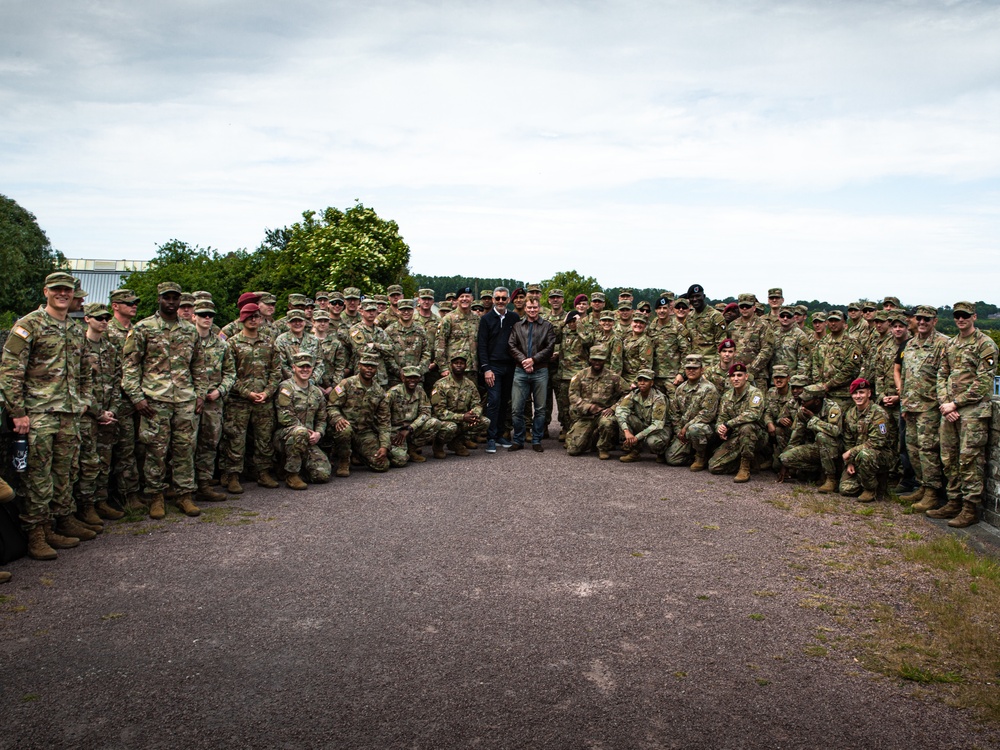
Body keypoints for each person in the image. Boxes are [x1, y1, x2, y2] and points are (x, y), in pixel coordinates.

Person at [1, 272, 95, 559]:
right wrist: (17, 412)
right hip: (38, 413)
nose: (63, 294)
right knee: (37, 476)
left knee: (65, 472)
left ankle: (60, 520)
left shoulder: (75, 328)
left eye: (67, 290)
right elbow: (9, 370)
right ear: (46, 292)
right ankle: (36, 533)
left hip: (68, 412)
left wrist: (84, 400)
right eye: (57, 290)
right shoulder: (29, 325)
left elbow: (84, 371)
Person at [121, 282, 207, 519]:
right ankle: (156, 496)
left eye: (175, 298)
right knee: (155, 451)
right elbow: (130, 366)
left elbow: (199, 365)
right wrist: (137, 397)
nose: (171, 301)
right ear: (159, 299)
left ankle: (184, 495)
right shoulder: (143, 328)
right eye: (167, 298)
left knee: (185, 449)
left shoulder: (190, 331)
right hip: (154, 400)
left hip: (185, 399)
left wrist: (200, 394)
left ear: (180, 301)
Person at [929, 301, 999, 527]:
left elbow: (983, 382)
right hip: (949, 410)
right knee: (949, 459)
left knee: (969, 460)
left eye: (965, 316)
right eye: (957, 316)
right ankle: (953, 501)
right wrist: (944, 403)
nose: (960, 319)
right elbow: (941, 374)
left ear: (974, 317)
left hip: (973, 412)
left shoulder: (985, 344)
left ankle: (970, 509)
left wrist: (955, 404)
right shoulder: (950, 344)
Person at [218, 303, 281, 493]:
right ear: (242, 319)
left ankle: (263, 472)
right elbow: (228, 373)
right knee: (235, 439)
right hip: (239, 400)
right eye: (249, 317)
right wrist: (247, 393)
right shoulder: (233, 343)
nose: (253, 320)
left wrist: (267, 392)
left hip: (264, 399)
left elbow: (276, 371)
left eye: (256, 316)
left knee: (264, 439)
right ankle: (233, 475)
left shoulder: (269, 342)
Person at [75, 303, 124, 527]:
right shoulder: (79, 347)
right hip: (87, 415)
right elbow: (78, 385)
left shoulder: (111, 348)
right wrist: (98, 412)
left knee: (105, 460)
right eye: (98, 318)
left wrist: (112, 409)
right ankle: (86, 506)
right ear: (87, 319)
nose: (104, 322)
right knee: (88, 462)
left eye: (106, 318)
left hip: (108, 414)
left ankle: (101, 501)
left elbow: (116, 381)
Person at [898, 305, 950, 512]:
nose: (922, 322)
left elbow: (945, 376)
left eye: (926, 319)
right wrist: (904, 402)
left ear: (934, 321)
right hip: (911, 406)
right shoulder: (910, 344)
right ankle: (921, 485)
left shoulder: (943, 344)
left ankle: (932, 492)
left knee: (928, 451)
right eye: (919, 318)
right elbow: (905, 375)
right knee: (913, 449)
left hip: (930, 407)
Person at [192, 300, 235, 503]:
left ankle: (204, 485)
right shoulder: (185, 340)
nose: (207, 318)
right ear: (194, 316)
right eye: (202, 314)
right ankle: (182, 487)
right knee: (185, 445)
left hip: (214, 401)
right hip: (189, 401)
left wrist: (220, 391)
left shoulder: (222, 344)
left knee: (209, 444)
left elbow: (230, 373)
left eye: (210, 315)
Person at [106, 288, 143, 510]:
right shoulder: (108, 330)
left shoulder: (138, 331)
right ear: (115, 306)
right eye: (128, 302)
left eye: (134, 302)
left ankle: (137, 491)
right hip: (116, 399)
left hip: (138, 398)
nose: (133, 305)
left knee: (140, 447)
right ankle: (126, 495)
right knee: (123, 449)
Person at [327, 352, 392, 475]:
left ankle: (358, 453)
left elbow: (384, 422)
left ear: (376, 369)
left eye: (372, 367)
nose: (369, 369)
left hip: (364, 432)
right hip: (344, 428)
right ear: (359, 366)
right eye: (366, 366)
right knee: (344, 430)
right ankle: (343, 461)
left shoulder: (379, 392)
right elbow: (331, 406)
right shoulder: (346, 384)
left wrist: (384, 446)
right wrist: (337, 418)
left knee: (382, 465)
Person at [274, 353, 330, 489]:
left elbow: (322, 418)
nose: (305, 370)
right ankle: (291, 475)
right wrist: (305, 431)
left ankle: (293, 467)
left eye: (308, 367)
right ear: (293, 367)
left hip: (309, 439)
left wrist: (318, 434)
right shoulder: (286, 388)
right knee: (300, 432)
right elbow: (285, 417)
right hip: (286, 436)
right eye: (301, 367)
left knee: (322, 475)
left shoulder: (316, 392)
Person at [508, 297, 556, 451]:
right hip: (520, 370)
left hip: (540, 370)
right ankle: (518, 439)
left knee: (540, 409)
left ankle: (536, 440)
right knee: (517, 408)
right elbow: (511, 345)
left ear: (539, 308)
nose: (532, 310)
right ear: (526, 308)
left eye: (535, 307)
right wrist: (524, 361)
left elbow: (550, 347)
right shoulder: (517, 326)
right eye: (529, 307)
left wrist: (533, 360)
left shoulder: (547, 326)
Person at [477, 286, 519, 453]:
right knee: (493, 401)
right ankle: (491, 437)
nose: (501, 301)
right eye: (498, 298)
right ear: (493, 300)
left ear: (508, 300)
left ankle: (500, 433)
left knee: (504, 402)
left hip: (509, 366)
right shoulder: (486, 319)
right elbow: (482, 345)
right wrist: (486, 368)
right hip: (493, 367)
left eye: (504, 298)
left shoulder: (514, 318)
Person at [777, 384, 844, 489]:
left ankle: (831, 478)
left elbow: (835, 431)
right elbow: (795, 438)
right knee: (785, 458)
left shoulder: (832, 408)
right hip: (816, 448)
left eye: (805, 400)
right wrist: (785, 464)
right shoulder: (802, 411)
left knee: (822, 436)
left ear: (817, 401)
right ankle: (819, 470)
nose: (802, 402)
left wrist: (813, 419)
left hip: (835, 449)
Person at [597, 369, 671, 462]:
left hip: (659, 430)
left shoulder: (659, 398)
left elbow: (657, 425)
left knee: (653, 442)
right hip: (643, 424)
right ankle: (634, 452)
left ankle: (661, 452)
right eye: (640, 380)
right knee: (626, 417)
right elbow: (620, 410)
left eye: (646, 381)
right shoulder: (634, 394)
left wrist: (636, 437)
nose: (642, 383)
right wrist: (626, 431)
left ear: (651, 383)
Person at [565, 346, 628, 456]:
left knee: (607, 423)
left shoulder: (613, 377)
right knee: (573, 450)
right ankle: (593, 437)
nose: (597, 362)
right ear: (590, 359)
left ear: (605, 360)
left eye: (600, 360)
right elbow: (572, 395)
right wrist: (587, 406)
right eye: (594, 359)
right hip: (586, 415)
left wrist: (613, 408)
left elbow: (628, 394)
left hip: (604, 414)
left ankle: (603, 447)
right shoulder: (580, 375)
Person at [708, 363, 766, 482]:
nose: (736, 378)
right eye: (733, 375)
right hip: (736, 436)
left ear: (746, 376)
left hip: (756, 436)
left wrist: (729, 424)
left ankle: (745, 467)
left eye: (739, 375)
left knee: (747, 427)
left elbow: (753, 414)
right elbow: (721, 418)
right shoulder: (727, 396)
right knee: (714, 467)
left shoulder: (755, 393)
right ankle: (752, 461)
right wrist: (720, 428)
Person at [386, 365, 455, 465]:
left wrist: (410, 428)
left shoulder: (420, 391)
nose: (412, 380)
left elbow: (426, 413)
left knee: (434, 423)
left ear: (419, 378)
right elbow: (382, 415)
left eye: (415, 377)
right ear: (403, 378)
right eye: (409, 377)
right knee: (400, 461)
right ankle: (394, 451)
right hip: (396, 432)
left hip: (412, 429)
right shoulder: (393, 393)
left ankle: (411, 449)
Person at [839, 378, 893, 502]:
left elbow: (878, 441)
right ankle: (869, 479)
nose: (858, 396)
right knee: (845, 489)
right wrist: (850, 462)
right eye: (855, 393)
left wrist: (851, 453)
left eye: (862, 392)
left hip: (880, 455)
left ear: (869, 393)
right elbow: (848, 440)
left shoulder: (879, 414)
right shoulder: (850, 414)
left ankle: (870, 489)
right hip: (858, 457)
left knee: (865, 455)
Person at [665, 354, 720, 469]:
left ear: (702, 369)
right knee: (672, 458)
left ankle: (701, 456)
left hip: (705, 429)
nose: (691, 370)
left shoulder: (709, 389)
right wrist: (679, 431)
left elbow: (707, 415)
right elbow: (675, 413)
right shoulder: (680, 389)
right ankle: (695, 454)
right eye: (688, 368)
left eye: (695, 368)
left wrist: (686, 427)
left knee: (694, 429)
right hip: (685, 431)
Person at [430, 351, 489, 456]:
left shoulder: (470, 384)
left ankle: (456, 443)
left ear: (465, 366)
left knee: (484, 422)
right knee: (451, 427)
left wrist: (474, 414)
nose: (459, 365)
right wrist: (462, 417)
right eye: (456, 362)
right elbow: (439, 412)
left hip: (464, 418)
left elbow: (477, 404)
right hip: (445, 420)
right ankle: (438, 445)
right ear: (450, 365)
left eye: (461, 363)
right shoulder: (440, 385)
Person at [553, 311, 591, 441]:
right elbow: (553, 335)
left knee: (578, 405)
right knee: (563, 404)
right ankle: (566, 428)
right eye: (570, 321)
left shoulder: (584, 332)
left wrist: (580, 324)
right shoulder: (564, 333)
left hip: (580, 375)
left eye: (574, 321)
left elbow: (588, 341)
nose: (572, 324)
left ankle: (578, 430)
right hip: (564, 374)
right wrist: (563, 322)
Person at [727, 293, 774, 384]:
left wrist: (750, 370)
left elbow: (767, 351)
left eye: (747, 306)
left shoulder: (764, 325)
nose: (744, 309)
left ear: (754, 307)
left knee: (757, 398)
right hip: (736, 375)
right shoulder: (732, 326)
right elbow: (728, 349)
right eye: (742, 306)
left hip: (757, 376)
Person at [385, 299, 432, 388]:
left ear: (413, 310)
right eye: (403, 310)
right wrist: (400, 372)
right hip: (396, 379)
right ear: (398, 311)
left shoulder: (420, 330)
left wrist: (419, 371)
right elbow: (387, 356)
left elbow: (427, 353)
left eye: (409, 310)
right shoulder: (389, 331)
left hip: (417, 379)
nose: (406, 312)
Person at [683, 284, 728, 367]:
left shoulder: (715, 316)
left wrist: (714, 367)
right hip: (693, 364)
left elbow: (721, 345)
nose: (695, 299)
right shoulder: (689, 317)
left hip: (710, 364)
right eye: (692, 297)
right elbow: (687, 343)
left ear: (704, 296)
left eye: (698, 296)